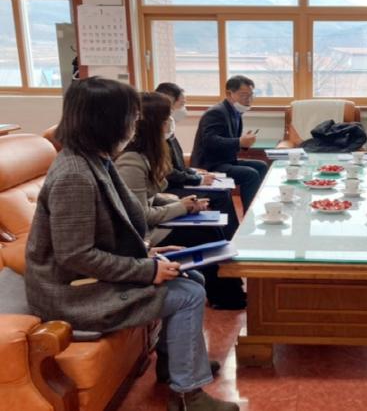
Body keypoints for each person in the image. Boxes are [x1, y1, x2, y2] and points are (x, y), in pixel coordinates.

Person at [24, 77, 238, 411]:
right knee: (188, 294)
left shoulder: (95, 160)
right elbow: (75, 255)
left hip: (87, 280)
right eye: (131, 117)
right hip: (72, 293)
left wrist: (149, 253)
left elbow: (111, 230)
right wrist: (146, 270)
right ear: (106, 120)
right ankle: (187, 395)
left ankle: (174, 366)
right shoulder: (74, 176)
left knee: (192, 277)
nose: (135, 125)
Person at [116, 92, 247, 311]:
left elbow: (150, 196)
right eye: (166, 117)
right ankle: (227, 297)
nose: (170, 122)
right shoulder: (131, 161)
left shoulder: (150, 153)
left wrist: (185, 203)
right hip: (145, 234)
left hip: (155, 221)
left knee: (212, 226)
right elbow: (140, 216)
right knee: (203, 234)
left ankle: (231, 293)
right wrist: (180, 207)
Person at [155, 82, 240, 241]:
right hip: (170, 188)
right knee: (221, 196)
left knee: (224, 191)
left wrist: (194, 172)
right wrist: (198, 179)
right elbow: (168, 173)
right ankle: (230, 239)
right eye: (182, 104)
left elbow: (177, 166)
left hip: (177, 182)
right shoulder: (156, 137)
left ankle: (232, 237)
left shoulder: (169, 132)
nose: (184, 109)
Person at [191, 75, 268, 211]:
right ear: (229, 94)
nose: (248, 99)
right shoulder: (216, 112)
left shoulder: (235, 112)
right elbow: (210, 141)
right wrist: (239, 142)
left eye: (251, 95)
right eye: (244, 95)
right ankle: (250, 214)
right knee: (250, 174)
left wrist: (243, 143)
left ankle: (255, 207)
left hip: (225, 161)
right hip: (210, 164)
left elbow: (229, 141)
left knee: (261, 166)